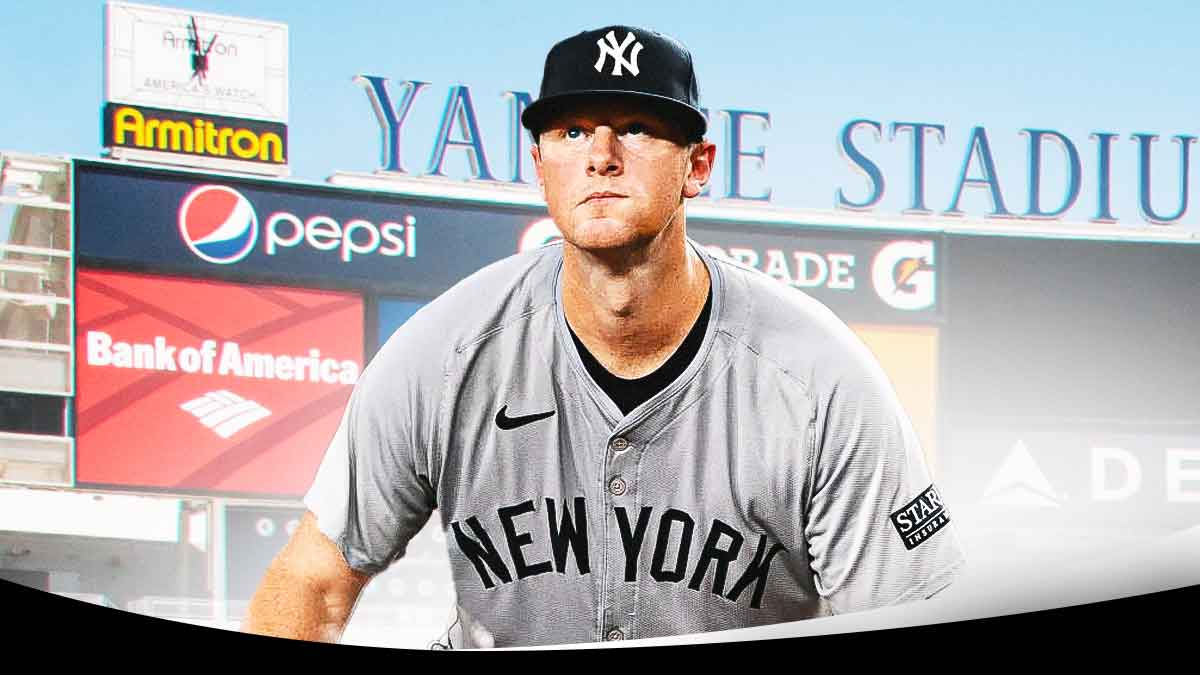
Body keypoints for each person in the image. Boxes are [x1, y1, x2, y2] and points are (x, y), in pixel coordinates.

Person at [242, 24, 965, 648]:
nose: (602, 156)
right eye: (573, 132)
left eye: (639, 128)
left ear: (698, 166)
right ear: (541, 166)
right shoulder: (444, 356)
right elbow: (313, 582)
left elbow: (915, 611)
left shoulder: (817, 380)